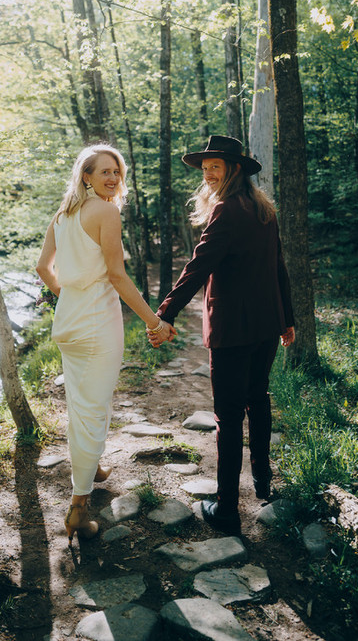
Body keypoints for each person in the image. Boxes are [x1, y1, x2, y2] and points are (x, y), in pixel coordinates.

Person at [148, 135, 295, 536]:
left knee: (228, 417)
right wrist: (286, 318)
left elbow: (197, 267)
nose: (208, 174)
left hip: (233, 330)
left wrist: (164, 315)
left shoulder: (227, 211)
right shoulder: (262, 209)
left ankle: (227, 509)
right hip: (265, 325)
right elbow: (278, 267)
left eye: (216, 166)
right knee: (257, 400)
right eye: (205, 168)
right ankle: (263, 483)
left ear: (235, 169)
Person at [36, 144, 174, 544]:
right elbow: (116, 275)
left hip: (69, 321)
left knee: (82, 402)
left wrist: (68, 296)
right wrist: (154, 322)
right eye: (104, 172)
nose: (113, 178)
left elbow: (43, 268)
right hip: (97, 324)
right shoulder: (106, 212)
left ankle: (92, 466)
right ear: (86, 176)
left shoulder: (63, 215)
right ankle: (79, 508)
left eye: (117, 171)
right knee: (93, 410)